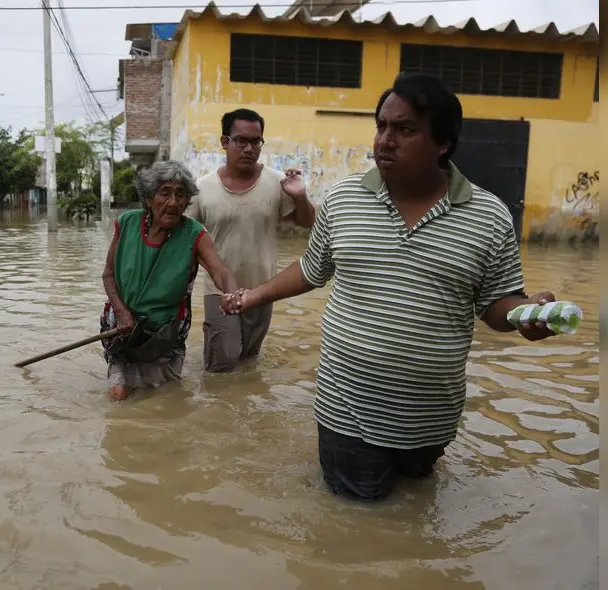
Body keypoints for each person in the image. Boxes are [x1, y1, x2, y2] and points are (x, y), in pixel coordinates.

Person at [221, 72, 560, 502]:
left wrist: (524, 314)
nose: (385, 140)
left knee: (415, 507)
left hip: (431, 419)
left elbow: (496, 303)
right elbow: (312, 268)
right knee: (356, 524)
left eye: (405, 129)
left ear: (443, 143)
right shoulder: (343, 200)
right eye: (381, 126)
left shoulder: (489, 216)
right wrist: (252, 296)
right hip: (347, 411)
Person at [186, 108, 316, 373]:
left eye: (255, 141)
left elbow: (306, 222)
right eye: (241, 141)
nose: (249, 148)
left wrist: (300, 196)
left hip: (263, 289)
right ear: (225, 142)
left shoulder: (278, 182)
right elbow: (187, 239)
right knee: (221, 366)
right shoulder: (202, 188)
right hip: (219, 290)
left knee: (249, 361)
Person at [101, 160, 239, 401]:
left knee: (164, 401)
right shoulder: (126, 224)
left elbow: (220, 270)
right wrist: (122, 313)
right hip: (122, 330)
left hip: (165, 336)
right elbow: (108, 275)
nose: (173, 202)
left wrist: (231, 293)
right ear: (149, 197)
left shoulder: (195, 234)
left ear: (187, 201)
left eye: (180, 195)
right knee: (118, 394)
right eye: (165, 193)